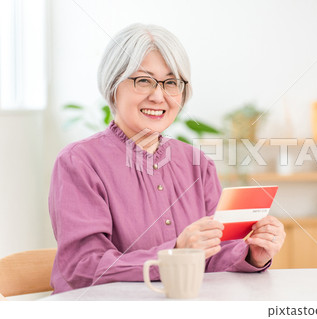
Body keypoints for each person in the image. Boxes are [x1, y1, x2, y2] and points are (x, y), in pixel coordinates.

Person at [48, 23, 286, 294]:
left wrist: (253, 253)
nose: (159, 96)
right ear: (113, 85)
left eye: (171, 83)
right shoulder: (79, 162)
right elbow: (84, 266)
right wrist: (176, 252)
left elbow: (214, 254)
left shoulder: (198, 163)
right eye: (143, 80)